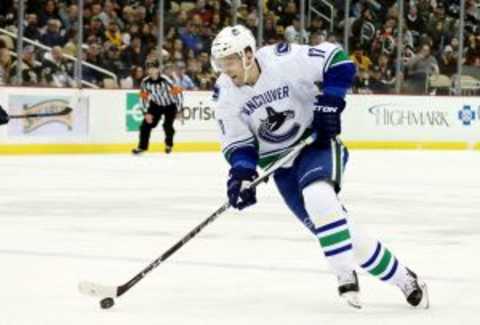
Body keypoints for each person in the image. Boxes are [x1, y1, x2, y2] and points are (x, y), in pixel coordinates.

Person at [210, 25, 430, 309]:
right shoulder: (224, 94)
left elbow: (338, 61)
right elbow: (239, 144)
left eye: (230, 61)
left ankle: (343, 275)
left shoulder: (283, 59)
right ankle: (405, 279)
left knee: (318, 197)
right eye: (220, 63)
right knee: (344, 233)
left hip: (315, 144)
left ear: (249, 54)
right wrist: (241, 174)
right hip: (283, 167)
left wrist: (330, 103)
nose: (225, 69)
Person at [132, 60, 183, 155]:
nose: (151, 71)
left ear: (158, 69)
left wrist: (179, 110)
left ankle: (169, 145)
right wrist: (145, 113)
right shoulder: (145, 82)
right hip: (155, 105)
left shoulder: (166, 80)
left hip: (170, 105)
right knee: (145, 126)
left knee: (167, 126)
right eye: (149, 68)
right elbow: (143, 98)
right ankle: (142, 147)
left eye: (153, 68)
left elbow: (178, 94)